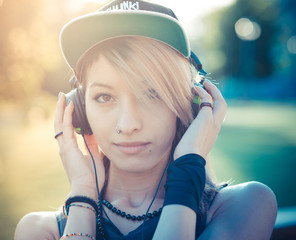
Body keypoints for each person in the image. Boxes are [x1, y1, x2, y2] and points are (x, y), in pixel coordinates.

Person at [15, 0, 277, 239]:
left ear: (192, 105)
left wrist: (188, 169)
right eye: (105, 97)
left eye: (153, 94)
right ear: (80, 110)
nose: (128, 125)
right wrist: (83, 195)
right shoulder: (40, 231)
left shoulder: (244, 206)